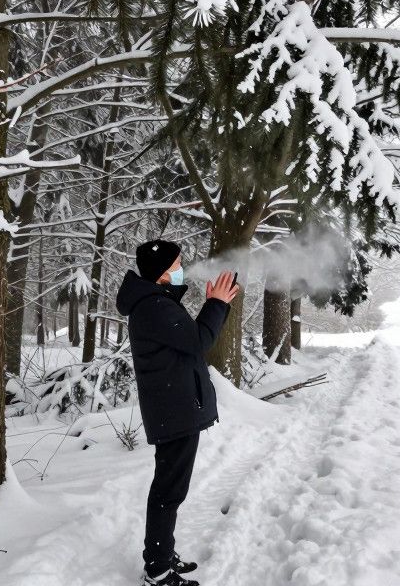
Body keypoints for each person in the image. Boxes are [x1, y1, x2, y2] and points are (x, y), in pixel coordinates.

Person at [116, 240, 239, 586]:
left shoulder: (156, 303)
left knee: (170, 489)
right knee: (168, 491)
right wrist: (215, 303)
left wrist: (218, 304)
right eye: (178, 263)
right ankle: (157, 570)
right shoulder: (154, 306)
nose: (183, 267)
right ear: (162, 271)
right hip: (174, 412)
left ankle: (163, 556)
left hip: (175, 408)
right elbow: (199, 341)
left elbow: (189, 340)